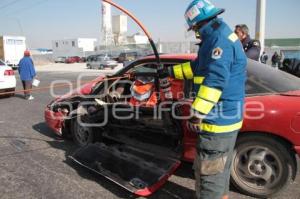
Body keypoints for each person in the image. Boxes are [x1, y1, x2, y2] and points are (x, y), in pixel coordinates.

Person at [170, 0, 247, 198]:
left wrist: (196, 114)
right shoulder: (218, 35)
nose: (195, 31)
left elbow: (215, 80)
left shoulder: (218, 40)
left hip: (217, 123)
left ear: (198, 23)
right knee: (220, 172)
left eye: (194, 27)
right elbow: (198, 67)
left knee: (209, 176)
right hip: (227, 120)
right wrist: (170, 71)